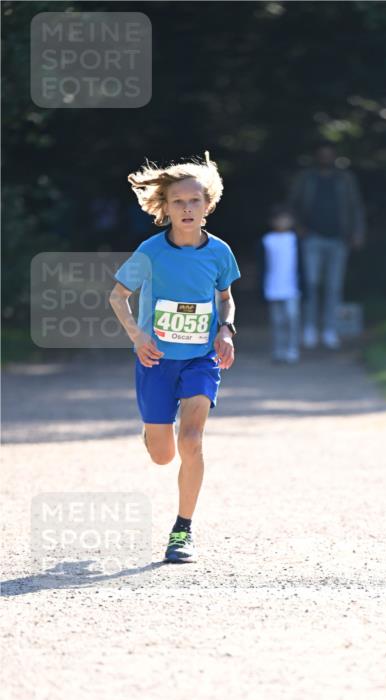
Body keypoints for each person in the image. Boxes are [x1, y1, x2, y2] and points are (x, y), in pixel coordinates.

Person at [109, 153, 241, 564]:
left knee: (192, 440)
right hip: (157, 361)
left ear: (208, 205)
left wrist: (226, 329)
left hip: (201, 358)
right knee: (163, 453)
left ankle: (182, 529)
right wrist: (137, 336)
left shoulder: (219, 252)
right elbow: (118, 297)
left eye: (194, 201)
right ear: (164, 207)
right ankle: (152, 431)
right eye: (178, 201)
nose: (186, 208)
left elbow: (226, 299)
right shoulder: (150, 251)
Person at [288, 142, 365, 350]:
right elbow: (292, 204)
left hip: (339, 239)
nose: (325, 159)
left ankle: (330, 330)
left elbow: (355, 206)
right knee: (311, 284)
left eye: (329, 155)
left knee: (334, 286)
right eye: (322, 155)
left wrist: (357, 232)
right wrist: (298, 228)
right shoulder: (306, 179)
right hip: (312, 237)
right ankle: (310, 328)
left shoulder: (346, 179)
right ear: (317, 157)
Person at [257, 206, 304, 364]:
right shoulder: (267, 240)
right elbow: (262, 265)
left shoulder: (295, 239)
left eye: (286, 218)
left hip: (292, 286)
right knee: (277, 320)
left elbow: (301, 264)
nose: (282, 222)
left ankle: (292, 349)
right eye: (279, 219)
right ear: (272, 222)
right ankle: (279, 349)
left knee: (292, 317)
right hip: (273, 286)